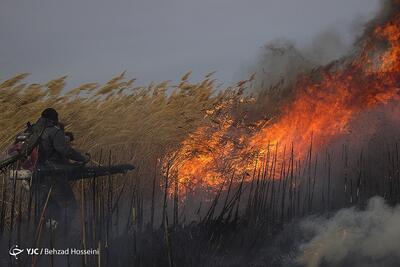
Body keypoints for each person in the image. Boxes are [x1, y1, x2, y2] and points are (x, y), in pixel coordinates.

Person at [35, 108, 89, 230]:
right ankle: (60, 236)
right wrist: (82, 158)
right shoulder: (54, 131)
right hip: (53, 175)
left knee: (49, 209)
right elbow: (65, 150)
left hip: (37, 176)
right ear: (54, 119)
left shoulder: (34, 130)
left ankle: (46, 235)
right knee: (70, 206)